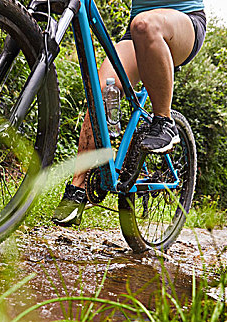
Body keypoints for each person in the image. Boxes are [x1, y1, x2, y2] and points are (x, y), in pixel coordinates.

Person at [52, 0, 207, 226]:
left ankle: (164, 122)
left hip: (184, 23)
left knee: (145, 25)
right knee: (102, 92)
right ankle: (78, 189)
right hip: (136, 30)